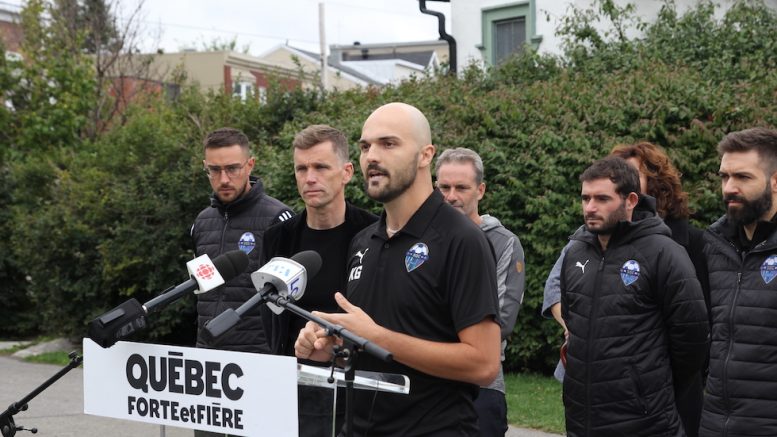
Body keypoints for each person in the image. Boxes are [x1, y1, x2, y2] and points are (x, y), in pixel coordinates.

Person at [294, 102, 501, 436]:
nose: (372, 156)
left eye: (388, 144)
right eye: (365, 147)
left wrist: (377, 336)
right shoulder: (364, 241)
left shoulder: (462, 239)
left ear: (425, 155)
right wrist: (331, 347)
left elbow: (483, 364)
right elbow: (367, 350)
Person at [542, 141, 710, 436]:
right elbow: (573, 314)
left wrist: (645, 386)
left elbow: (692, 338)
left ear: (631, 200)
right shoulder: (576, 252)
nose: (590, 207)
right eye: (585, 198)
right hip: (583, 419)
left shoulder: (664, 252)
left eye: (602, 199)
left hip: (645, 422)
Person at [260, 124, 377, 436]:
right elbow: (270, 320)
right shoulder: (278, 239)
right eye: (301, 168)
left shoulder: (374, 234)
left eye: (321, 167)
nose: (309, 178)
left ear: (347, 172)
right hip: (292, 384)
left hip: (356, 386)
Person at [434, 147, 525, 437]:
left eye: (461, 187)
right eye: (444, 187)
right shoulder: (421, 240)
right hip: (426, 386)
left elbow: (502, 321)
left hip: (481, 388)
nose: (451, 196)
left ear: (481, 190)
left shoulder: (503, 243)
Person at [700, 127, 777, 437]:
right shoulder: (714, 245)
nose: (729, 188)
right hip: (715, 424)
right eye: (724, 177)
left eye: (743, 178)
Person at [191, 127, 293, 355]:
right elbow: (201, 293)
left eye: (232, 168)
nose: (224, 179)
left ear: (250, 165)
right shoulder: (201, 222)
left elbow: (292, 299)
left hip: (259, 355)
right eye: (214, 170)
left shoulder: (279, 218)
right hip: (206, 353)